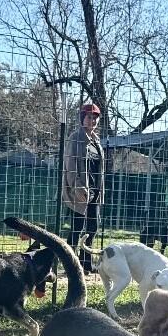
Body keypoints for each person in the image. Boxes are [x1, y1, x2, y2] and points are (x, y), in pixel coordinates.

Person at [62, 102, 105, 273]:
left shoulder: (96, 141)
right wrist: (77, 187)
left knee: (93, 227)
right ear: (82, 118)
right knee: (77, 228)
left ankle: (85, 262)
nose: (92, 120)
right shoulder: (75, 138)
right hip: (80, 191)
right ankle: (70, 264)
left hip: (95, 191)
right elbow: (70, 165)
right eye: (89, 117)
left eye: (95, 118)